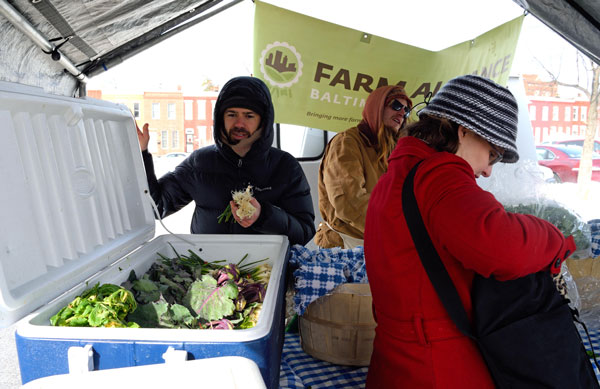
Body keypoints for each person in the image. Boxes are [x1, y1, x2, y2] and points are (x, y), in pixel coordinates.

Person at [364, 75, 576, 388]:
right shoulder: (440, 175)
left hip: (393, 358)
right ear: (463, 131)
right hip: (439, 363)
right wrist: (554, 238)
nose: (489, 169)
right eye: (492, 153)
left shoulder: (398, 173)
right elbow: (502, 250)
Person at [136, 76, 316, 246]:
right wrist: (141, 154)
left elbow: (305, 232)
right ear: (221, 118)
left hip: (264, 268)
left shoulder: (284, 166)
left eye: (249, 116)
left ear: (263, 121)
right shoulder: (199, 162)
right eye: (231, 114)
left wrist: (264, 216)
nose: (239, 123)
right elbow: (156, 207)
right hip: (210, 269)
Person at [314, 85, 412, 248]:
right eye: (396, 105)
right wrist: (396, 230)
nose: (402, 113)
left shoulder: (391, 150)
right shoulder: (347, 143)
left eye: (407, 110)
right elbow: (349, 203)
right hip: (347, 245)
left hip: (379, 239)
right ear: (378, 106)